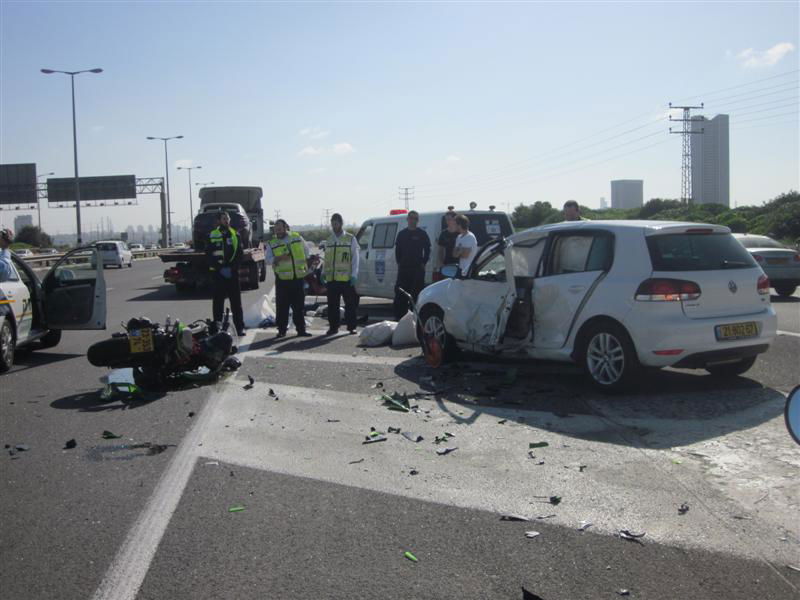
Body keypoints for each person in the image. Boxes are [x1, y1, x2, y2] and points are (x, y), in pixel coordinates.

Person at [266, 219, 311, 338]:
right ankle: (281, 330)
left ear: (286, 227)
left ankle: (301, 330)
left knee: (299, 306)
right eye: (276, 229)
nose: (278, 231)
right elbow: (268, 259)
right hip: (282, 279)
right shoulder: (272, 243)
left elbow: (306, 251)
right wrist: (278, 258)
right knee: (282, 307)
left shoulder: (296, 237)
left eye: (280, 228)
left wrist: (307, 263)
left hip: (297, 277)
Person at [206, 211, 245, 336]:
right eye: (224, 218)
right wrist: (219, 268)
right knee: (218, 303)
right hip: (218, 273)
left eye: (227, 218)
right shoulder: (212, 235)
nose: (226, 220)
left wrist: (233, 268)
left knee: (236, 302)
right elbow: (208, 255)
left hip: (232, 273)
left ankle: (239, 328)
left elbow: (240, 253)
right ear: (218, 221)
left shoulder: (235, 234)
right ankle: (217, 328)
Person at [321, 213, 360, 335]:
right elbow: (326, 258)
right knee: (332, 305)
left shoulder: (350, 238)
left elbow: (355, 258)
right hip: (332, 279)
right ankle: (333, 327)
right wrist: (323, 272)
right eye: (332, 224)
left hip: (346, 278)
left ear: (341, 223)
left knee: (350, 304)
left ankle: (351, 327)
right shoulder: (329, 240)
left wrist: (354, 275)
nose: (334, 226)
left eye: (336, 223)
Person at [393, 210, 430, 320]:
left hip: (417, 270)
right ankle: (400, 319)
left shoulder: (422, 234)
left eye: (415, 219)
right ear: (407, 219)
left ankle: (416, 319)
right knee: (400, 295)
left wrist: (424, 262)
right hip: (404, 270)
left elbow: (427, 250)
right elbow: (397, 251)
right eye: (411, 218)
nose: (413, 221)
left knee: (416, 295)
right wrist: (399, 263)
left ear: (418, 221)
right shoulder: (402, 234)